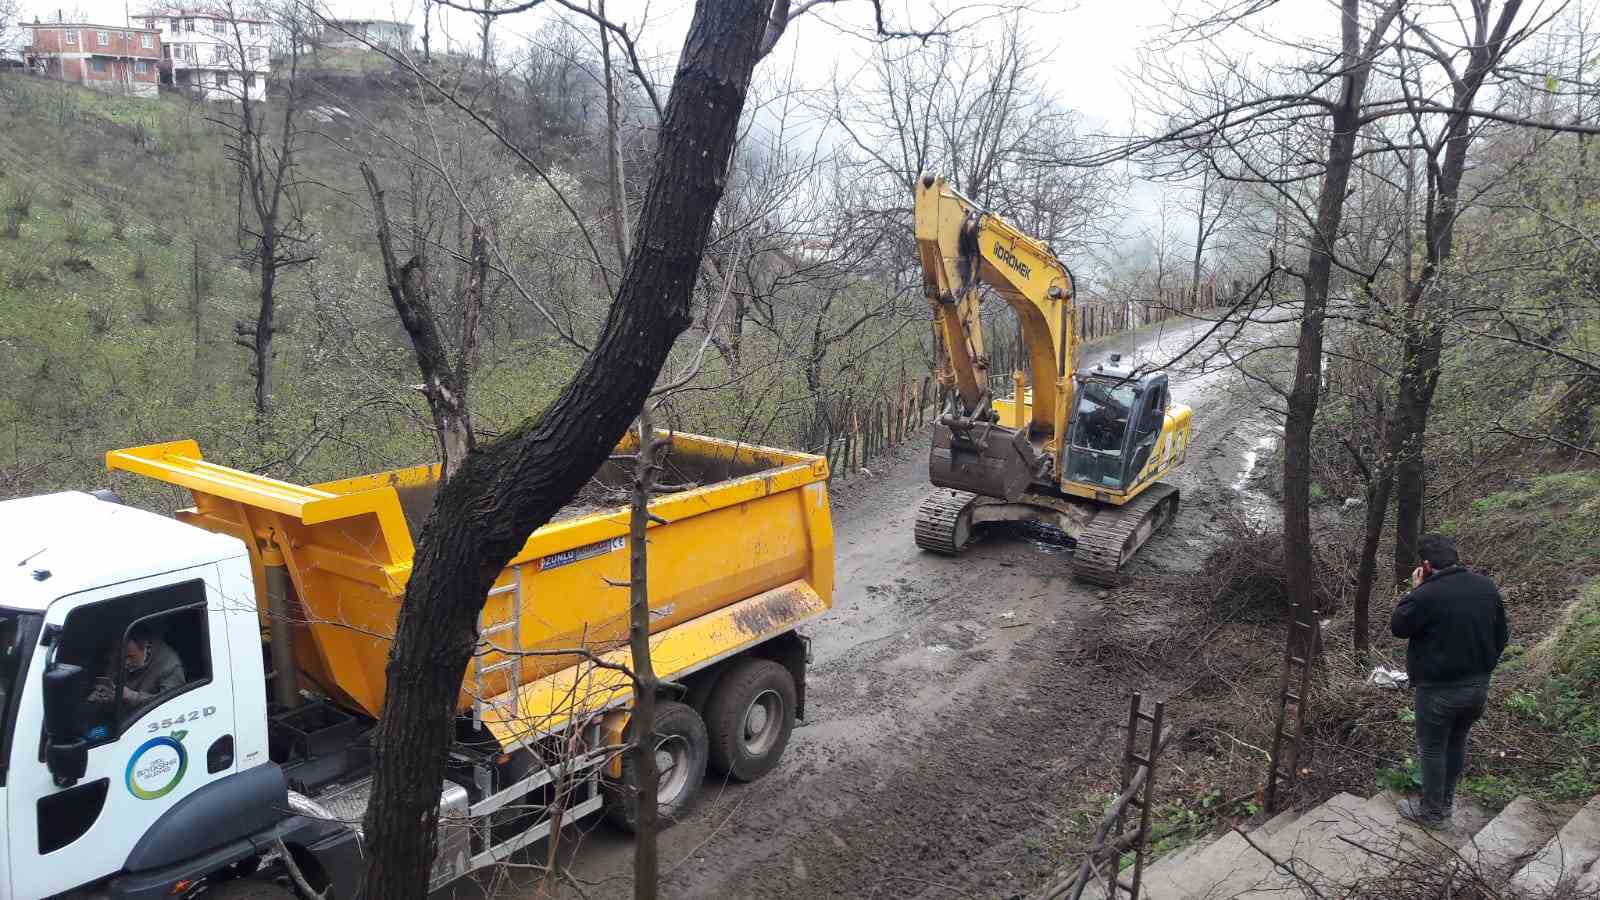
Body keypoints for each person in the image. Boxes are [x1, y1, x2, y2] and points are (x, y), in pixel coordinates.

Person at [1390, 534, 1509, 828]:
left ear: (1426, 565)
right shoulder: (1486, 587)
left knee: (1432, 748)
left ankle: (1432, 814)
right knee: (1456, 743)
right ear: (1455, 558)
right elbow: (1502, 635)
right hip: (1478, 687)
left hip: (1438, 691)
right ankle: (1445, 804)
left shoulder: (1426, 595)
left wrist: (1417, 589)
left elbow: (1399, 626)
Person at [86, 622, 186, 716]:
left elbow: (171, 705)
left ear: (147, 647)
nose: (125, 663)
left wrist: (132, 696)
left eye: (130, 657)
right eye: (122, 657)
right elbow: (110, 678)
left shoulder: (170, 665)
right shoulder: (119, 655)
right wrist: (103, 694)